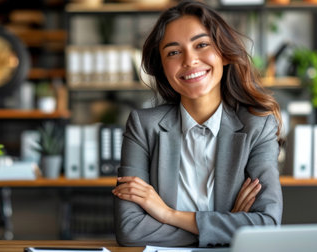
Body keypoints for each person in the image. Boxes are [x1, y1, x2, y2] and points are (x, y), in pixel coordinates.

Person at [112, 0, 283, 248]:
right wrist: (229, 225)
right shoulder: (143, 126)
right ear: (162, 67)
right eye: (173, 52)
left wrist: (167, 214)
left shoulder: (258, 127)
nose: (189, 60)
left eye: (201, 45)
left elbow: (266, 225)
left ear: (224, 54)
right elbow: (130, 230)